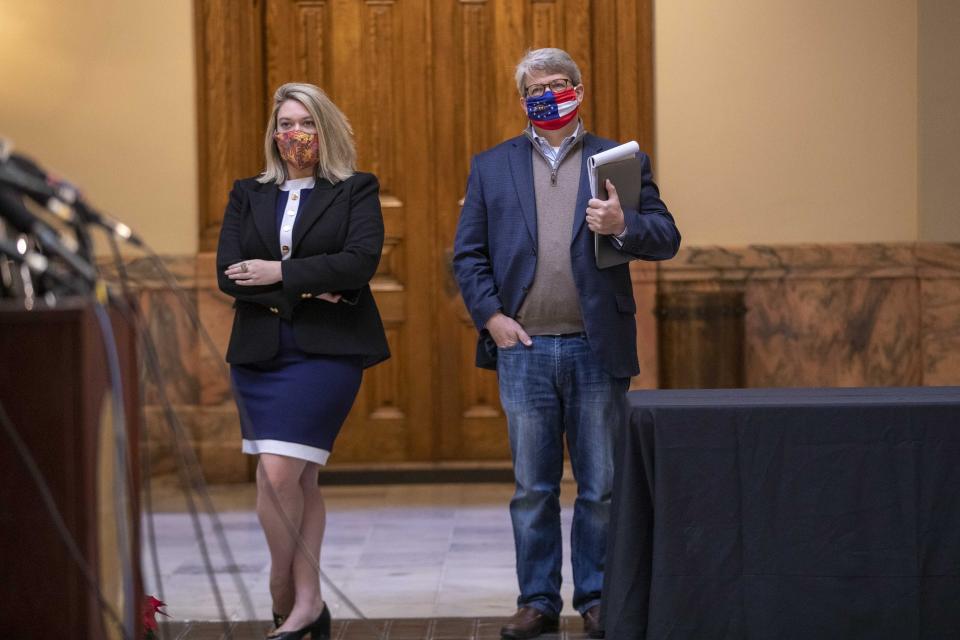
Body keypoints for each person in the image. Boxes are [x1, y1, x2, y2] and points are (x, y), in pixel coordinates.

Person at [453, 48, 680, 639]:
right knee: (533, 488)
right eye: (536, 86)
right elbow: (468, 255)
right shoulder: (492, 166)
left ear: (580, 88)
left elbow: (666, 237)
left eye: (559, 83)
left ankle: (599, 596)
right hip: (523, 349)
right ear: (523, 96)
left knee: (601, 487)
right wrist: (492, 318)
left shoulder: (617, 161)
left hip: (594, 347)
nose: (548, 93)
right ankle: (537, 601)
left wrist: (623, 224)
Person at [216, 82, 389, 640]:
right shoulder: (248, 192)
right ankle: (309, 600)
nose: (295, 134)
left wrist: (280, 274)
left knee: (279, 470)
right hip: (259, 354)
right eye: (285, 124)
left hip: (324, 354)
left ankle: (279, 585)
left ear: (326, 130)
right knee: (290, 481)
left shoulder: (355, 189)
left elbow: (358, 263)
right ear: (273, 133)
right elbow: (229, 273)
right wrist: (313, 284)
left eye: (307, 123)